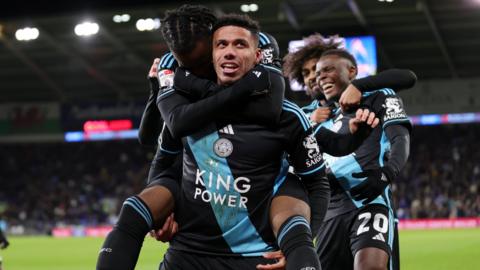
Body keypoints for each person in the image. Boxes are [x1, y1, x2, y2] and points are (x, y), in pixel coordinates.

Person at [156, 14, 380, 270]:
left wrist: (305, 239)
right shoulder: (185, 111)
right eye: (222, 45)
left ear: (258, 56)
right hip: (192, 250)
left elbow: (322, 169)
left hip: (268, 233)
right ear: (212, 55)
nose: (230, 52)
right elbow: (161, 158)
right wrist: (162, 213)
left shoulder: (290, 114)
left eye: (240, 44)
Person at [312, 49, 411, 270]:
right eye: (318, 74)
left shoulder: (379, 96)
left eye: (328, 70)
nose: (321, 77)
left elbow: (400, 138)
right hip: (331, 213)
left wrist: (388, 172)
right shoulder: (318, 118)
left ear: (352, 71)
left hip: (369, 203)